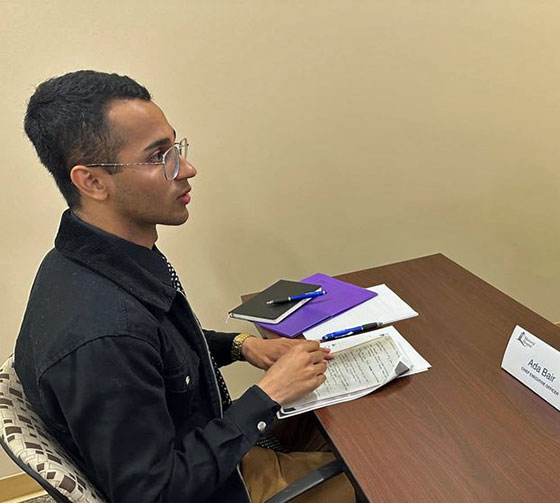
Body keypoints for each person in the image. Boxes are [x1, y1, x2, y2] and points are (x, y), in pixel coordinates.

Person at [14, 70, 353, 502]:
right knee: (398, 473)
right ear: (92, 182)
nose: (186, 168)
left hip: (218, 452)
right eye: (158, 157)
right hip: (220, 486)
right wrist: (268, 395)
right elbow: (154, 494)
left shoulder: (98, 258)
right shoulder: (102, 334)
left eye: (176, 147)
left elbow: (158, 350)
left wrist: (242, 346)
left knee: (355, 428)